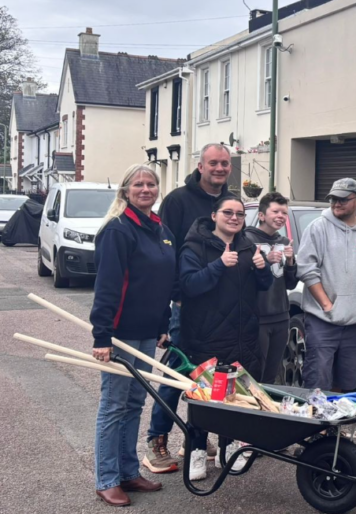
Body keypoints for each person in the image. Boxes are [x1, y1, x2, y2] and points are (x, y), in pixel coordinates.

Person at [90, 165, 176, 506]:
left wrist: (163, 325)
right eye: (138, 184)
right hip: (121, 333)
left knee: (134, 404)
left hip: (146, 332)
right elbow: (108, 286)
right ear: (125, 191)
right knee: (113, 406)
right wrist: (102, 336)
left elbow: (164, 284)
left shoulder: (160, 229)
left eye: (151, 184)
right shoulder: (117, 230)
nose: (145, 189)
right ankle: (107, 478)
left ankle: (128, 472)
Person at [144, 143, 232, 473]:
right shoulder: (178, 201)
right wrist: (172, 299)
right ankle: (156, 440)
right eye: (213, 163)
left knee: (209, 375)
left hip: (219, 305)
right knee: (175, 372)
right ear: (200, 165)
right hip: (186, 302)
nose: (219, 168)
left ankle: (195, 436)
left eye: (224, 163)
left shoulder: (229, 202)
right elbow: (163, 250)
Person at [178, 195, 274, 480]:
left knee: (235, 397)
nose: (234, 218)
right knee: (205, 399)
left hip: (243, 337)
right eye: (228, 213)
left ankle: (229, 448)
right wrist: (219, 264)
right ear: (214, 215)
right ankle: (196, 452)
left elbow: (265, 285)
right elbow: (188, 286)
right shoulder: (195, 247)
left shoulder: (248, 246)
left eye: (240, 214)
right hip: (207, 338)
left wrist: (262, 267)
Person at [296, 178, 356, 392]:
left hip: (355, 323)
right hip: (323, 321)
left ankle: (340, 426)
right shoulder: (317, 228)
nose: (336, 203)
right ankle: (317, 426)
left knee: (348, 383)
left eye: (343, 199)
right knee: (318, 381)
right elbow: (306, 268)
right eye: (333, 199)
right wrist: (326, 305)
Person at [244, 192, 299, 383]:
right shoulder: (246, 239)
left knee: (272, 373)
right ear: (261, 215)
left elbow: (291, 283)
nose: (281, 216)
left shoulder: (284, 242)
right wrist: (265, 261)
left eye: (284, 212)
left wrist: (291, 261)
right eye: (275, 211)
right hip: (257, 316)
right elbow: (242, 278)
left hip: (281, 315)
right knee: (254, 373)